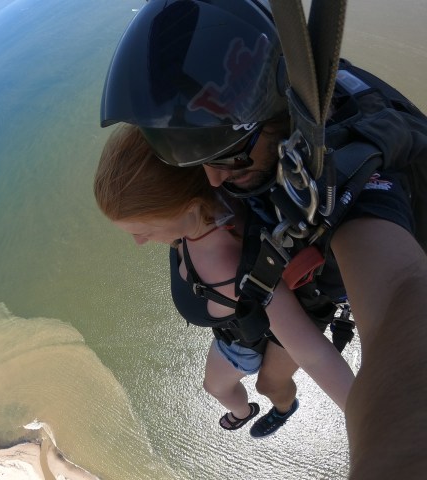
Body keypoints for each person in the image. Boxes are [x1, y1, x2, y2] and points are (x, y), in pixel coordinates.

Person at [99, 1, 427, 477]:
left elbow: (400, 293)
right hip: (259, 324)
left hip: (288, 323)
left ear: (273, 113)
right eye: (197, 164)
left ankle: (281, 404)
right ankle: (276, 402)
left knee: (276, 382)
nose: (212, 180)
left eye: (228, 157)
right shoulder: (247, 162)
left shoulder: (345, 180)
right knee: (265, 379)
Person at [94, 123, 354, 437]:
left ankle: (264, 410)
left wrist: (376, 426)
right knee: (234, 384)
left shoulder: (233, 266)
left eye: (144, 231)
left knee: (243, 385)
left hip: (244, 342)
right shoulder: (216, 200)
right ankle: (254, 409)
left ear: (188, 207)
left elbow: (314, 354)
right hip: (238, 326)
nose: (139, 242)